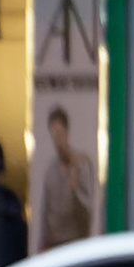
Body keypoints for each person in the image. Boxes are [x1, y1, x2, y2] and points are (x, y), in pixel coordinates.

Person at [30, 101, 97, 253]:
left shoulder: (82, 164)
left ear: (67, 132)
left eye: (60, 133)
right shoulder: (50, 171)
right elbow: (45, 213)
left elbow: (90, 209)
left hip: (76, 244)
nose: (57, 139)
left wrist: (75, 187)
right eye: (54, 134)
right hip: (54, 245)